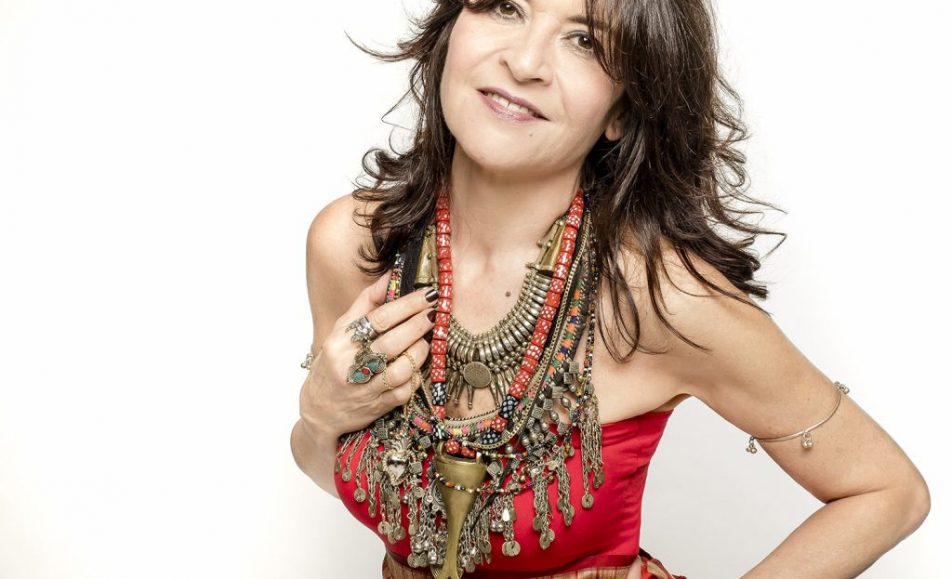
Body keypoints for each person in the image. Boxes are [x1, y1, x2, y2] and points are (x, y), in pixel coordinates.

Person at [290, 0, 931, 577]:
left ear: (622, 109)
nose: (524, 62)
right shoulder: (354, 245)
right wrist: (320, 415)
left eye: (586, 41)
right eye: (505, 7)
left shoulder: (663, 297)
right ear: (452, 28)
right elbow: (343, 474)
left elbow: (886, 492)